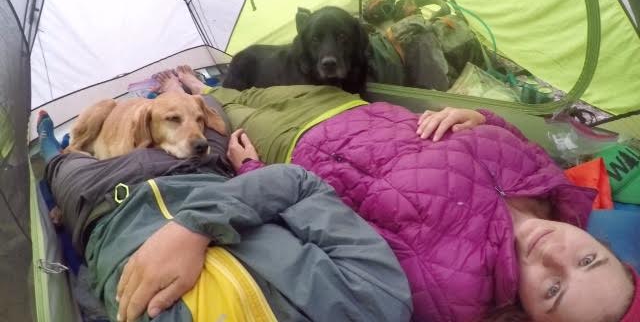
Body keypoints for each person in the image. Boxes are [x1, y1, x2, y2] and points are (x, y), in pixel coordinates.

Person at [137, 66, 639, 322]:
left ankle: (190, 86)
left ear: (529, 313)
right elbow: (512, 138)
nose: (555, 255)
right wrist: (481, 118)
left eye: (553, 291)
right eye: (589, 260)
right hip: (346, 106)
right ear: (603, 246)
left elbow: (326, 230)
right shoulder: (555, 187)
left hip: (299, 144)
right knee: (250, 87)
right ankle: (204, 82)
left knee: (220, 105)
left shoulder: (445, 287)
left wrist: (252, 169)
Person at [37, 86, 413, 322]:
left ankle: (49, 143)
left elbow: (92, 291)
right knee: (210, 110)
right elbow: (299, 183)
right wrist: (195, 224)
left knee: (62, 163)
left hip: (106, 205)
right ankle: (172, 92)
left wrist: (98, 260)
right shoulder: (380, 303)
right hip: (202, 178)